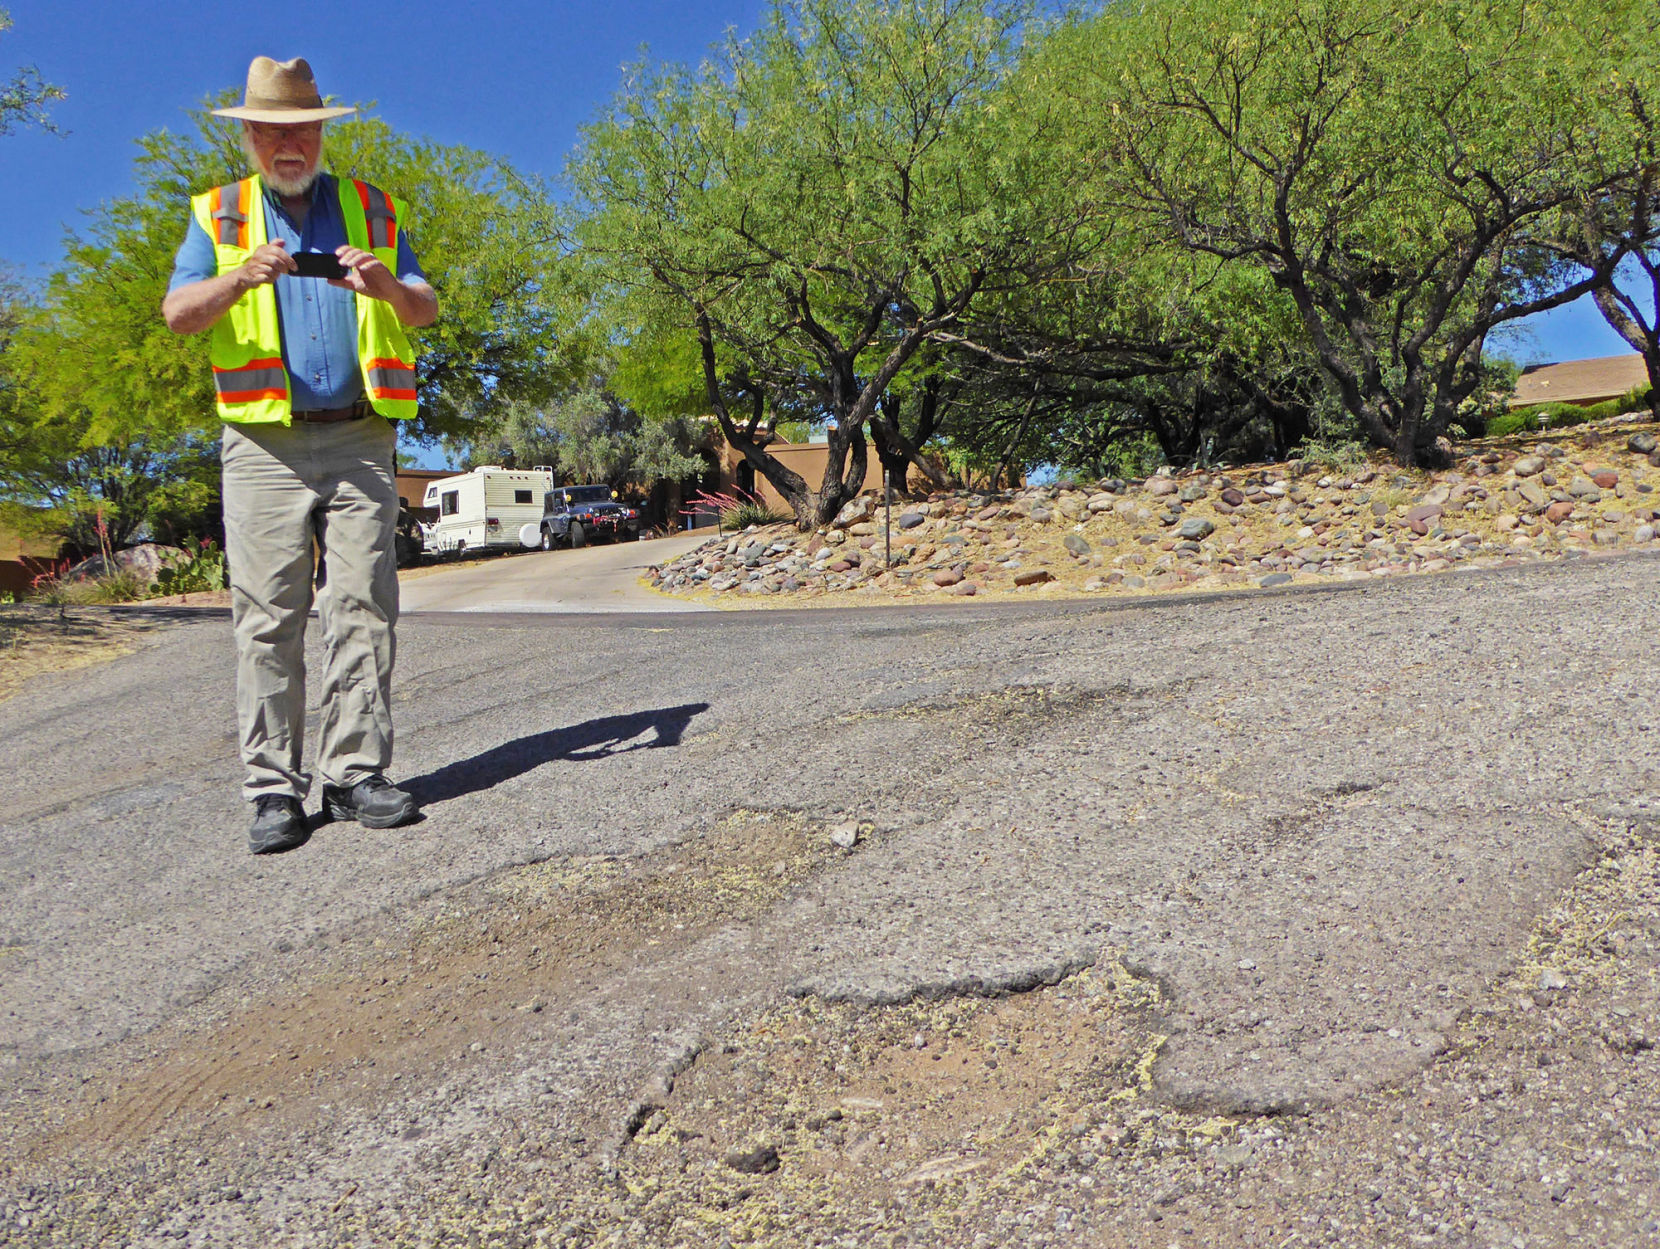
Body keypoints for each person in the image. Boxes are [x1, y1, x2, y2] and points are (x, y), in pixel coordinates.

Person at [162, 57, 438, 854]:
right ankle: (274, 790)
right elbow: (179, 313)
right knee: (268, 618)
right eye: (272, 129)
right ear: (247, 134)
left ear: (322, 130)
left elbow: (423, 308)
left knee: (363, 605)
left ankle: (354, 776)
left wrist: (387, 285)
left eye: (302, 128)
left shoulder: (373, 210)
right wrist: (240, 279)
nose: (288, 143)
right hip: (261, 444)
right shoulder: (216, 216)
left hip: (360, 435)